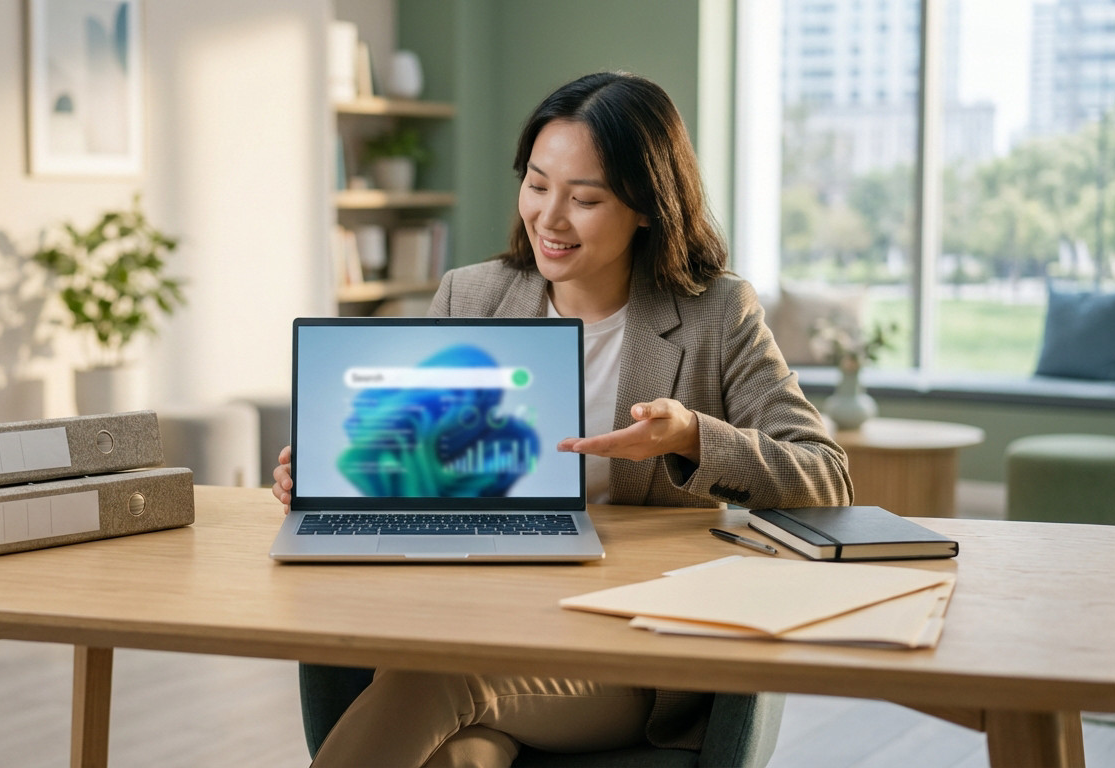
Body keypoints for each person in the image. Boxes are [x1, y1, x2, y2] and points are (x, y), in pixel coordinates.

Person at [271, 71, 852, 767]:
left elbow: (826, 477)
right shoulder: (471, 295)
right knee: (460, 754)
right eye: (538, 185)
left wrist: (692, 436)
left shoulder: (716, 314)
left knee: (438, 673)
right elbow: (412, 447)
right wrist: (334, 475)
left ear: (647, 206)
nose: (549, 217)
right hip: (478, 619)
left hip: (626, 654)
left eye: (585, 199)